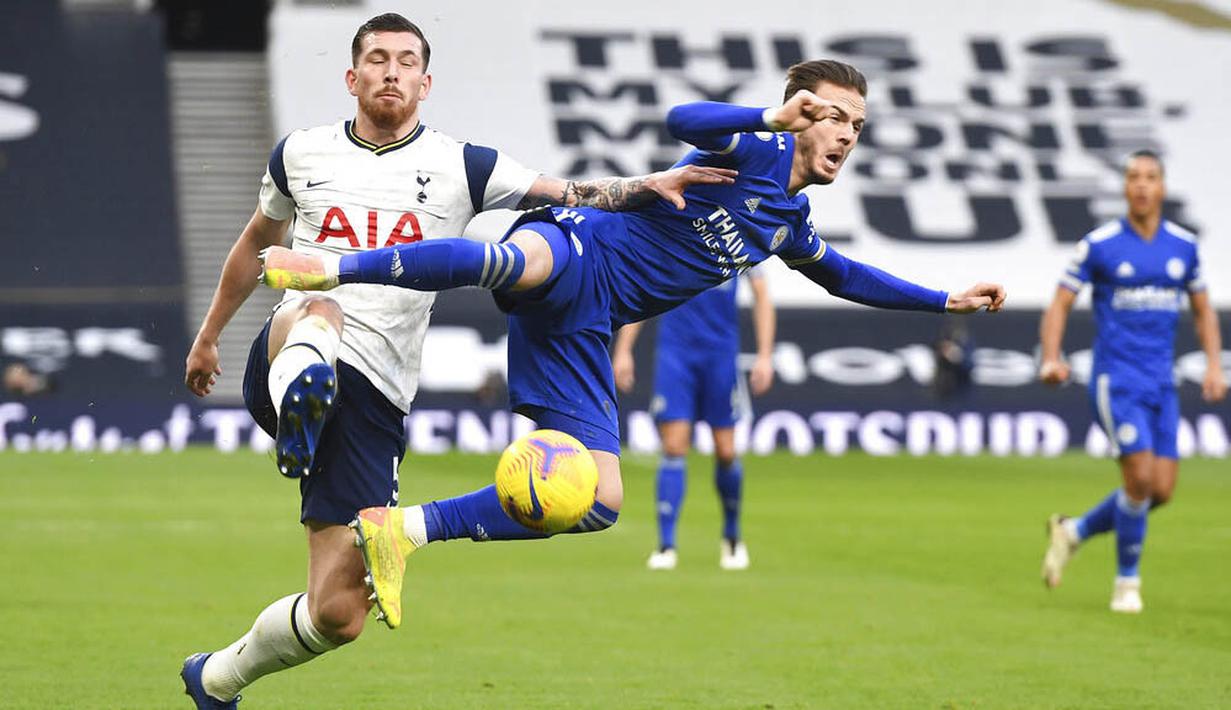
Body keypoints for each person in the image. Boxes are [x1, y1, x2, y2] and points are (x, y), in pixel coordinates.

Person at [260, 58, 1006, 638]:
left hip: (587, 324)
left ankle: (401, 530)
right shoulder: (753, 151)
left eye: (856, 125)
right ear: (800, 114)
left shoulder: (788, 222)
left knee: (599, 502)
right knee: (513, 262)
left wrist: (944, 300)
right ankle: (331, 268)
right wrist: (767, 115)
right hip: (581, 246)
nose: (845, 134)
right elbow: (682, 117)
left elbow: (844, 276)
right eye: (833, 115)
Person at [179, 13, 734, 709]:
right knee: (321, 307)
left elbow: (571, 194)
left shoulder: (462, 166)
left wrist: (646, 183)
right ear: (351, 77)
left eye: (405, 61)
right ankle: (301, 405)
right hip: (291, 349)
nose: (391, 71)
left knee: (337, 613)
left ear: (425, 82)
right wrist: (209, 336)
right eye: (377, 58)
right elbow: (254, 244)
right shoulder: (300, 153)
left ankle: (217, 677)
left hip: (375, 398)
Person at [1038, 149, 1226, 613]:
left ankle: (1074, 531)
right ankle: (1127, 584)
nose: (1141, 185)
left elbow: (1203, 310)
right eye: (1133, 177)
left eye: (1150, 177)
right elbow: (1061, 303)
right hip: (1116, 380)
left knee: (1160, 490)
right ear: (1125, 187)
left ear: (1162, 187)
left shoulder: (1183, 246)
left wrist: (1213, 365)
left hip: (1162, 383)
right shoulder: (1099, 244)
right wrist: (1051, 357)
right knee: (1139, 479)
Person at [610, 270, 775, 571]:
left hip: (721, 355)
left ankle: (732, 536)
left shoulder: (739, 244)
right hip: (676, 354)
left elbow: (761, 293)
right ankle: (666, 545)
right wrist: (623, 350)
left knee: (726, 450)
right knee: (674, 446)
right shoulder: (669, 244)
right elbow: (642, 290)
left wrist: (765, 355)